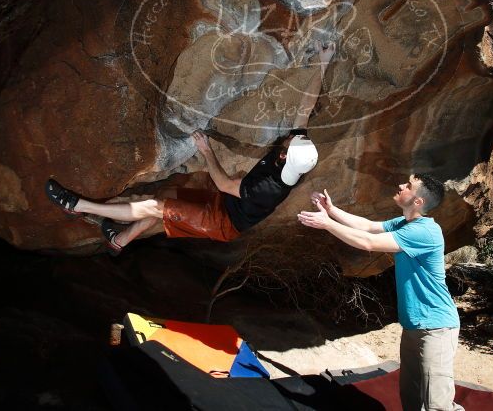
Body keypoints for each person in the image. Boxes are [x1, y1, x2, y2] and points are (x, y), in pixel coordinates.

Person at [45, 41, 335, 253]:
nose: (291, 136)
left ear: (285, 155)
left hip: (221, 222)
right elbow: (304, 110)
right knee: (167, 196)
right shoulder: (295, 158)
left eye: (291, 141)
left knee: (154, 207)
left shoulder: (268, 188)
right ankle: (119, 240)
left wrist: (205, 150)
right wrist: (323, 63)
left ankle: (77, 205)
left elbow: (223, 183)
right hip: (225, 206)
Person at [297, 174, 463, 411]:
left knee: (437, 404)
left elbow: (368, 243)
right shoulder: (405, 223)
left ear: (418, 202)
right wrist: (331, 210)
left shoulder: (425, 232)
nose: (400, 185)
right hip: (415, 324)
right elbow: (368, 227)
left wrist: (327, 224)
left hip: (436, 327)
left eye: (408, 186)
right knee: (412, 397)